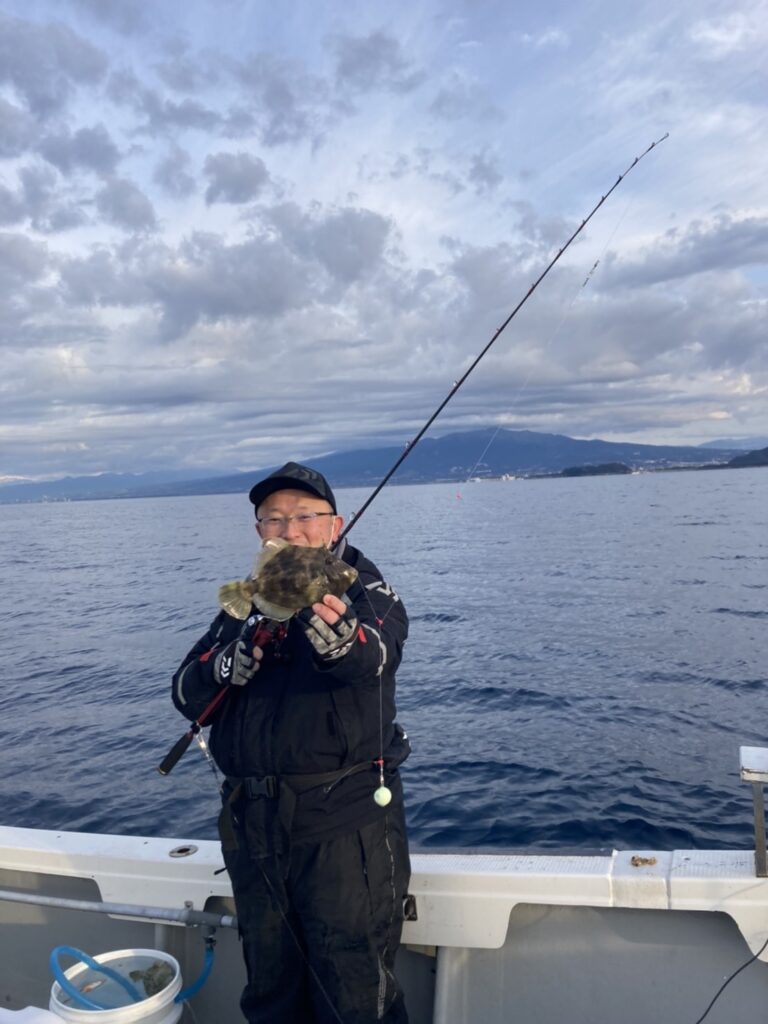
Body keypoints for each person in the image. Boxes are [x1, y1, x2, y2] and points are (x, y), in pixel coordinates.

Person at [172, 461, 411, 1024]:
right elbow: (184, 690)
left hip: (343, 832)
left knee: (355, 994)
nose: (290, 529)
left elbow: (376, 653)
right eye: (274, 519)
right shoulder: (247, 603)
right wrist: (224, 665)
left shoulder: (367, 590)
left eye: (305, 516)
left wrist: (340, 641)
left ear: (336, 524)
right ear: (260, 532)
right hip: (253, 828)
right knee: (270, 989)